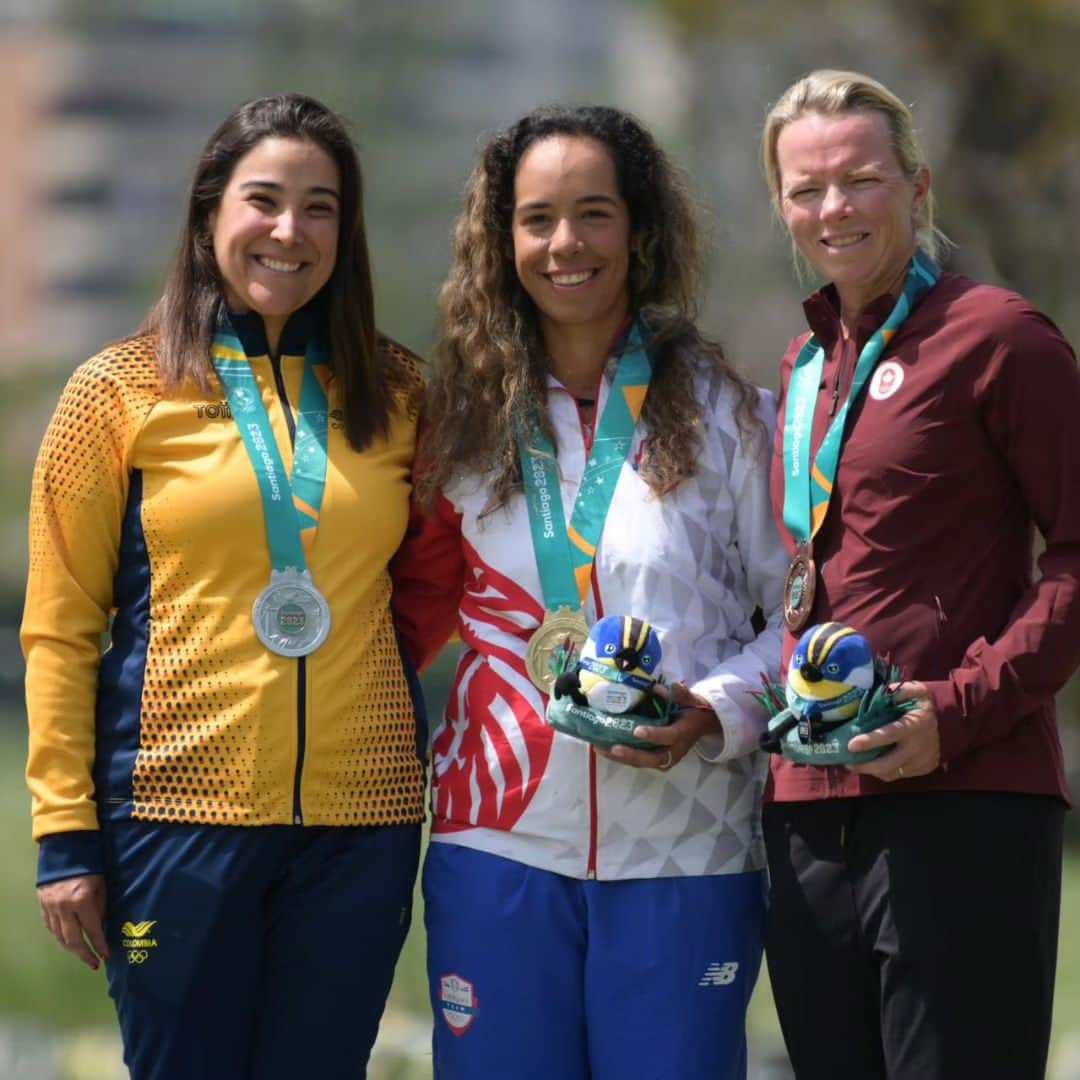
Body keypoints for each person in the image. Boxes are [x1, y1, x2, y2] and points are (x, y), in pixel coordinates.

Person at [22, 94, 430, 1079]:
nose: (290, 231)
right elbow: (62, 627)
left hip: (361, 826)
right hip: (174, 812)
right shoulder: (117, 391)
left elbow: (430, 591)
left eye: (321, 206)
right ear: (209, 215)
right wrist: (64, 834)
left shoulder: (403, 394)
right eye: (264, 200)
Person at [391, 103, 788, 1080]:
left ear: (641, 229)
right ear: (503, 240)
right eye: (537, 218)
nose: (565, 243)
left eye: (593, 213)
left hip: (688, 854)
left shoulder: (732, 417)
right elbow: (399, 609)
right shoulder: (458, 427)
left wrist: (714, 707)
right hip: (499, 846)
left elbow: (802, 619)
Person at [760, 68, 1080, 1079]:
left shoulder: (998, 335)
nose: (833, 207)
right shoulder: (801, 366)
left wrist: (957, 708)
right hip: (809, 808)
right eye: (807, 189)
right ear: (782, 205)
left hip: (965, 798)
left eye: (859, 179)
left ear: (918, 185)